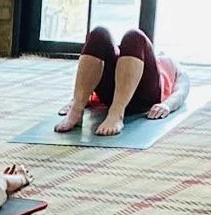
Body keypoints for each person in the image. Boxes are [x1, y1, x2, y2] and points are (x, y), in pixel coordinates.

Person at [55, 26, 190, 136]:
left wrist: (168, 105)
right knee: (99, 33)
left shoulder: (167, 61)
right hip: (110, 93)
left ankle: (116, 114)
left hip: (145, 97)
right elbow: (93, 69)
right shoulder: (123, 55)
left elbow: (184, 86)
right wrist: (76, 100)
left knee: (134, 36)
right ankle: (76, 110)